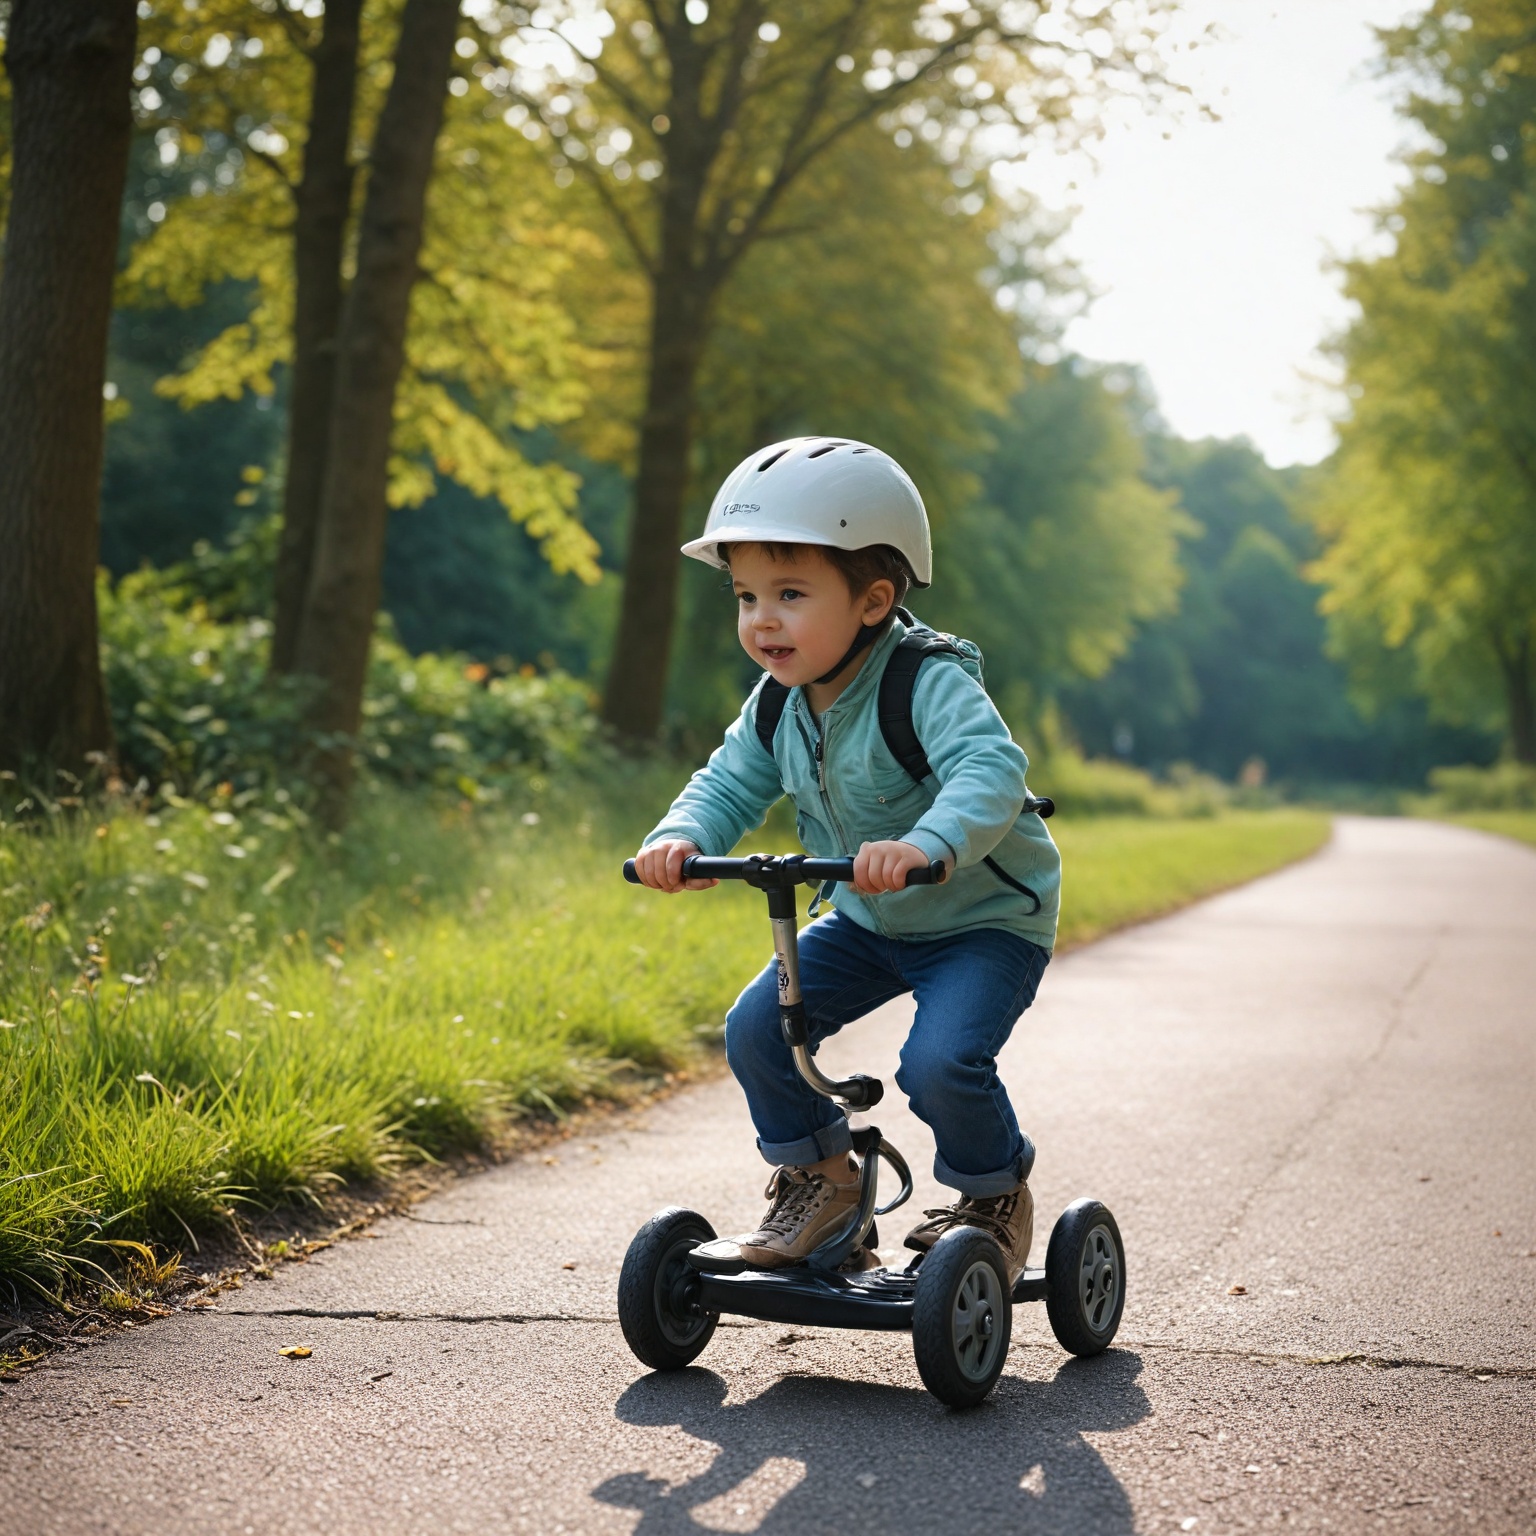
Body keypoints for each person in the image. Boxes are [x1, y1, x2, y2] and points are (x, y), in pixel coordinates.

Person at [631, 436, 1060, 1278]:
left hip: (982, 922)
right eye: (746, 595)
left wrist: (926, 844)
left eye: (790, 594)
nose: (762, 619)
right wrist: (680, 838)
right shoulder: (777, 703)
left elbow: (989, 771)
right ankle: (824, 1183)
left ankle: (993, 1195)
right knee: (758, 1029)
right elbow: (728, 783)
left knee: (939, 1064)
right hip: (867, 918)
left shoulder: (926, 682)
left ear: (873, 601)